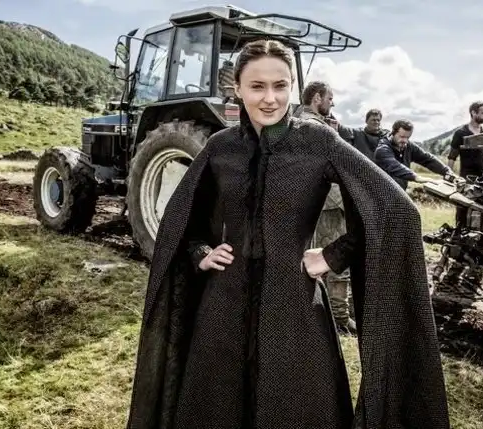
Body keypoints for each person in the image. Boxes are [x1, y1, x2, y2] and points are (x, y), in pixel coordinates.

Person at [125, 39, 450, 429]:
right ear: (237, 88)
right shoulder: (220, 147)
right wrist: (200, 252)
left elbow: (395, 210)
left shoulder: (317, 142)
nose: (270, 98)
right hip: (223, 308)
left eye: (280, 85)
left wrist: (332, 256)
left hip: (295, 307)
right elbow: (183, 219)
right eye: (257, 86)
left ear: (293, 86)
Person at [295, 80, 357, 335]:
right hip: (329, 203)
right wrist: (334, 136)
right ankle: (338, 317)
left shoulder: (301, 122)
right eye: (330, 98)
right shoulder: (313, 127)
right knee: (331, 258)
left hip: (321, 202)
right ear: (317, 98)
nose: (333, 103)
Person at [435, 101, 483, 307]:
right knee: (462, 219)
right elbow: (451, 158)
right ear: (473, 113)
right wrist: (448, 177)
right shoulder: (460, 133)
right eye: (482, 113)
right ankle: (458, 256)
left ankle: (479, 259)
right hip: (466, 180)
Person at [374, 119, 461, 190]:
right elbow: (394, 166)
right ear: (393, 133)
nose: (405, 141)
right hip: (380, 195)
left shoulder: (408, 146)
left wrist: (447, 172)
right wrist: (416, 177)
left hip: (399, 194)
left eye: (407, 137)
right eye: (402, 137)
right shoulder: (382, 149)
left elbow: (427, 159)